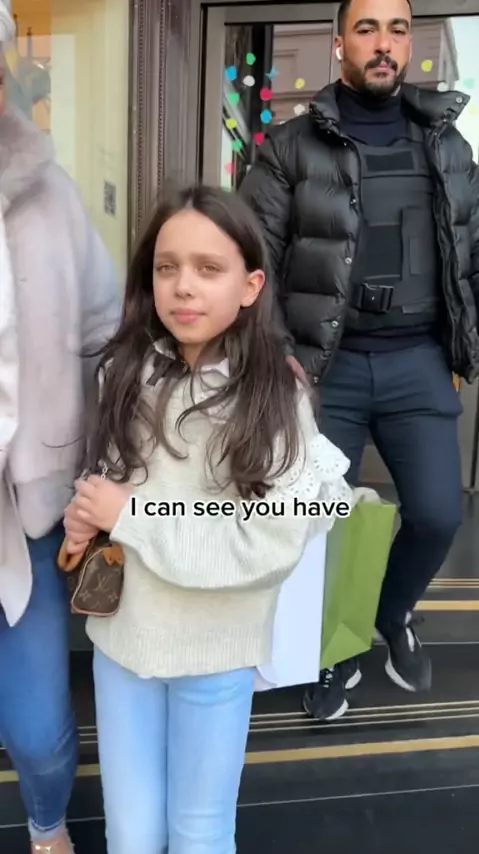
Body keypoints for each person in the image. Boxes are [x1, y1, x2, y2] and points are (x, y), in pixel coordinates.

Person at [62, 185, 351, 854]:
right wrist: (91, 514)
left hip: (216, 651)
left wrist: (131, 516)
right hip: (124, 643)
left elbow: (270, 541)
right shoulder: (124, 370)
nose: (183, 286)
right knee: (130, 835)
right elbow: (116, 482)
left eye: (208, 268)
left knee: (199, 833)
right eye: (166, 267)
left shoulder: (274, 396)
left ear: (251, 286)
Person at [240, 0, 479, 722]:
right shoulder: (288, 148)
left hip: (417, 362)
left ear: (410, 44)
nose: (383, 44)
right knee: (322, 526)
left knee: (437, 515)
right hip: (323, 371)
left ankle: (388, 610)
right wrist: (278, 355)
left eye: (397, 30)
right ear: (339, 43)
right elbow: (251, 261)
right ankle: (334, 648)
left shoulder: (447, 145)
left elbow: (472, 252)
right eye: (367, 29)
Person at [0, 1, 120, 850]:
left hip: (31, 512)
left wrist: (241, 360)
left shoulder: (50, 195)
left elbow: (108, 333)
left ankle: (48, 826)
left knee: (40, 730)